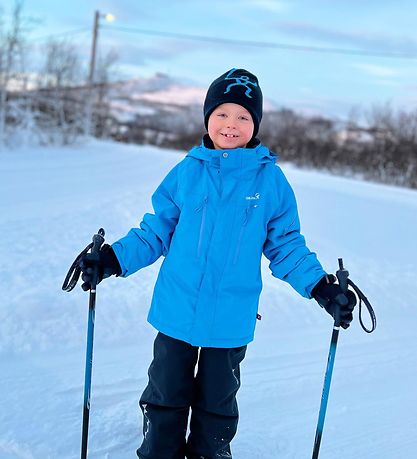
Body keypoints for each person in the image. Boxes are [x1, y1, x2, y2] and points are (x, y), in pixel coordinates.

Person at [80, 68, 356, 459]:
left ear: (255, 125)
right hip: (177, 309)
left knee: (218, 402)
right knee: (165, 393)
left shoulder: (270, 182)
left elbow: (286, 246)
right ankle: (159, 452)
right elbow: (156, 230)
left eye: (243, 116)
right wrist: (111, 259)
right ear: (208, 118)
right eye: (223, 113)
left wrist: (322, 288)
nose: (231, 124)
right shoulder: (187, 172)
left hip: (230, 317)